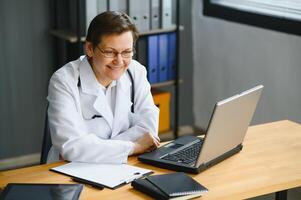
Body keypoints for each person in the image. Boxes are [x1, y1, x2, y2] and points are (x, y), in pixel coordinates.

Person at [47, 11, 160, 164]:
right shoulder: (64, 81)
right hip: (72, 169)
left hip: (125, 165)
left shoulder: (136, 71)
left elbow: (149, 129)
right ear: (89, 49)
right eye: (110, 52)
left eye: (127, 52)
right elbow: (71, 147)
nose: (119, 61)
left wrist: (95, 148)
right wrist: (134, 146)